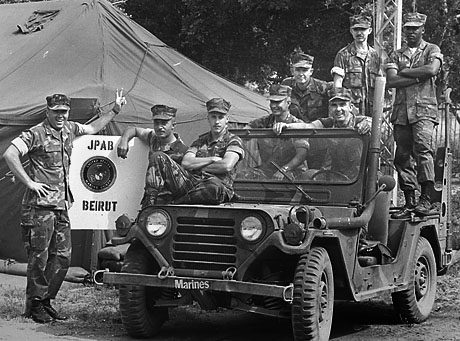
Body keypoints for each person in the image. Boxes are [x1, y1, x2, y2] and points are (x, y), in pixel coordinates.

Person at [2, 90, 127, 323]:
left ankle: (46, 300)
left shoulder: (69, 129)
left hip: (61, 205)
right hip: (39, 208)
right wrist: (29, 182)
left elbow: (93, 128)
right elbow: (10, 153)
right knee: (38, 257)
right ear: (48, 111)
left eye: (64, 112)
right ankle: (35, 304)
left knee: (62, 257)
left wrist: (115, 111)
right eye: (56, 111)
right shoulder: (36, 133)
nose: (61, 116)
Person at [385, 12, 443, 218]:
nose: (411, 32)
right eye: (408, 28)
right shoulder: (395, 54)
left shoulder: (431, 49)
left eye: (415, 28)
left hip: (424, 111)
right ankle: (409, 199)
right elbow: (392, 81)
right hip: (401, 113)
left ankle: (425, 198)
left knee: (423, 151)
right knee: (401, 156)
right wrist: (419, 75)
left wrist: (407, 72)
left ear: (422, 30)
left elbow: (432, 70)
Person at [139, 97, 244, 205]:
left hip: (218, 188)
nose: (217, 121)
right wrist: (212, 159)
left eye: (220, 117)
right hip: (195, 183)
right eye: (213, 117)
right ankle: (149, 203)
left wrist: (197, 165)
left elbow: (226, 166)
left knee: (213, 186)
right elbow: (186, 163)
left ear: (227, 119)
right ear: (208, 118)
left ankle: (177, 203)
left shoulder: (233, 141)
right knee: (158, 156)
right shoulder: (200, 142)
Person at [273, 87, 371, 180]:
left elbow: (375, 123)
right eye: (334, 105)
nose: (338, 109)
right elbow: (308, 126)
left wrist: (369, 123)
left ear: (350, 107)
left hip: (359, 178)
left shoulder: (361, 122)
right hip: (335, 175)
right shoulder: (329, 122)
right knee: (307, 175)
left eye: (342, 104)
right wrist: (287, 126)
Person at [117, 104, 188, 208]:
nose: (159, 127)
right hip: (150, 200)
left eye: (164, 123)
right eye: (156, 123)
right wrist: (124, 141)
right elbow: (133, 129)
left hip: (170, 204)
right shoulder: (153, 138)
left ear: (173, 125)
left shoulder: (183, 151)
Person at [247, 84, 309, 180]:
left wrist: (284, 169)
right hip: (268, 170)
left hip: (293, 171)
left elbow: (301, 155)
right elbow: (245, 132)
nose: (273, 106)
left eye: (278, 102)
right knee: (245, 176)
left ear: (288, 103)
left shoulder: (297, 124)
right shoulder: (264, 122)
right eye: (272, 102)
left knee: (285, 180)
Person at [331, 14, 382, 117]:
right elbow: (338, 85)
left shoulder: (375, 56)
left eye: (363, 29)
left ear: (370, 31)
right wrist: (340, 109)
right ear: (351, 31)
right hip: (351, 110)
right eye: (356, 29)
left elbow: (380, 84)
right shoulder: (343, 55)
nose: (359, 33)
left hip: (372, 109)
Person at [281, 50, 332, 123]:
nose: (301, 74)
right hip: (292, 129)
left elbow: (339, 98)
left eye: (305, 70)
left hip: (317, 130)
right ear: (292, 71)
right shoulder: (286, 85)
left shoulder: (322, 87)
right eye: (298, 70)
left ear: (311, 72)